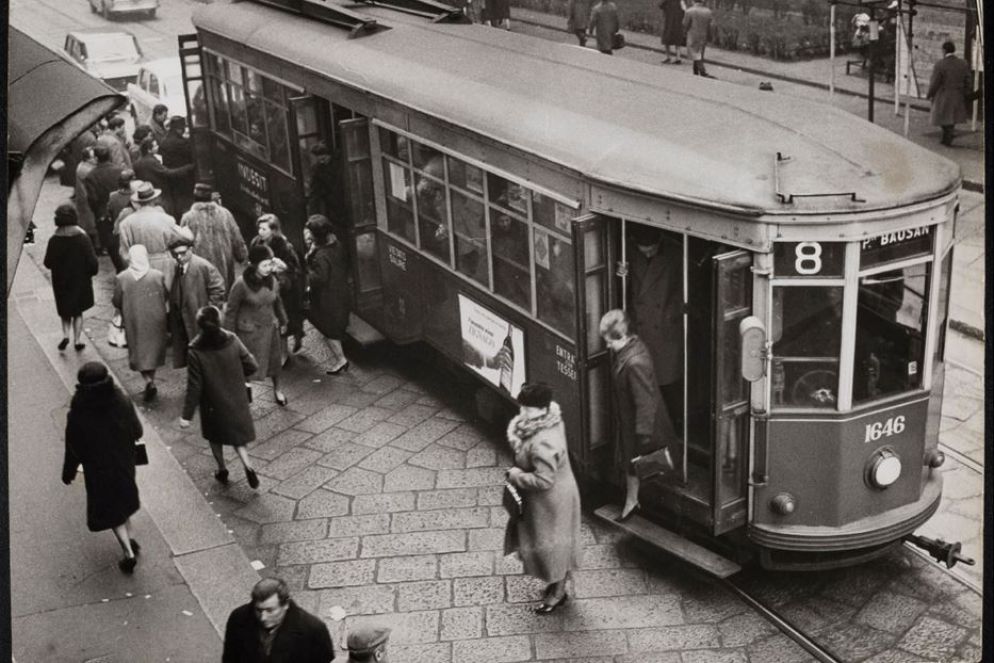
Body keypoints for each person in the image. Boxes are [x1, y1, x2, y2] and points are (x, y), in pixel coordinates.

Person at [503, 383, 583, 614]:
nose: (523, 413)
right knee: (559, 545)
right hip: (559, 496)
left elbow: (544, 480)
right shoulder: (553, 420)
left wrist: (517, 476)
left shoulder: (544, 441)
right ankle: (558, 585)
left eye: (528, 409)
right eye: (523, 408)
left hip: (549, 502)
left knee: (552, 548)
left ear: (541, 409)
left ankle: (558, 593)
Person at [62, 362, 143, 573]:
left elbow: (73, 446)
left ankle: (128, 552)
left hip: (98, 468)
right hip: (124, 460)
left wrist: (69, 471)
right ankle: (131, 538)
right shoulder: (121, 400)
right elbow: (137, 431)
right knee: (123, 500)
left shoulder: (78, 411)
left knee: (110, 509)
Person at [599, 309, 676, 522]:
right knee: (630, 462)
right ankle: (631, 501)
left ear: (623, 337)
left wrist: (643, 436)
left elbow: (644, 402)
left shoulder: (635, 363)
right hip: (630, 422)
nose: (607, 346)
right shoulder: (632, 348)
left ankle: (633, 501)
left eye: (609, 341)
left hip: (637, 425)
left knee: (634, 461)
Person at [180, 305, 262, 488]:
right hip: (235, 395)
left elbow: (194, 386)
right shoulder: (232, 339)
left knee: (214, 436)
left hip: (211, 401)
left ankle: (222, 468)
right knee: (237, 437)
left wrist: (186, 415)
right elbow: (252, 364)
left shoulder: (195, 350)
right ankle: (248, 466)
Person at [628, 226, 684, 432]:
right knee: (645, 382)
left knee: (667, 382)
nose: (648, 253)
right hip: (641, 328)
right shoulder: (627, 253)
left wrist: (673, 311)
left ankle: (672, 424)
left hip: (666, 330)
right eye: (644, 250)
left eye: (651, 249)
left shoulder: (676, 253)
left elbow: (686, 287)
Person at [225, 244, 290, 406]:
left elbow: (277, 301)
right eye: (264, 265)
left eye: (270, 264)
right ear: (254, 265)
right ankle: (245, 392)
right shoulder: (241, 284)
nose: (269, 268)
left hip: (270, 328)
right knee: (247, 366)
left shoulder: (272, 280)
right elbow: (231, 311)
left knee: (275, 364)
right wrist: (228, 336)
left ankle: (277, 390)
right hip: (249, 333)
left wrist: (283, 320)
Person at [221, 577, 334, 662]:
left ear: (285, 605)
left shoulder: (313, 629)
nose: (263, 617)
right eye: (258, 610)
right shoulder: (238, 619)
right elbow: (230, 658)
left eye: (270, 610)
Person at [113, 245, 169, 402]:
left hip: (134, 319)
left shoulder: (122, 277)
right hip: (156, 318)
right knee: (153, 350)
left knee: (138, 350)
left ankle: (148, 380)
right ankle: (152, 379)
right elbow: (165, 294)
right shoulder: (157, 275)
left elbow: (117, 300)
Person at [167, 228, 227, 369]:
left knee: (206, 356)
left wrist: (209, 315)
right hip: (185, 320)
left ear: (191, 249)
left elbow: (218, 289)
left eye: (182, 253)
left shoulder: (203, 266)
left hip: (200, 320)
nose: (179, 257)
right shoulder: (179, 266)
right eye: (175, 254)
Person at [43, 204, 99, 352]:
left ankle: (65, 335)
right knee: (78, 311)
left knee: (65, 311)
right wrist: (91, 272)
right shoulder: (82, 238)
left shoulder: (54, 240)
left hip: (61, 282)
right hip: (80, 281)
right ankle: (77, 340)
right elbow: (92, 262)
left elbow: (47, 263)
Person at [252, 213, 306, 356]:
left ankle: (287, 350)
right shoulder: (256, 242)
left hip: (285, 290)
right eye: (259, 228)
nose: (260, 232)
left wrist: (282, 267)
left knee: (286, 319)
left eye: (264, 229)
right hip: (265, 285)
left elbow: (295, 268)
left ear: (274, 230)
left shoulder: (285, 246)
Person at [304, 214, 351, 375]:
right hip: (341, 291)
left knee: (328, 330)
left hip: (327, 298)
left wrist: (307, 269)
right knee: (333, 328)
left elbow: (319, 278)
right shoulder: (338, 245)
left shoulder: (320, 255)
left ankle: (341, 359)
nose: (308, 235)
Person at [180, 182, 248, 293]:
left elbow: (183, 243)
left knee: (205, 294)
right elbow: (237, 239)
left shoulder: (188, 217)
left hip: (201, 267)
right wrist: (242, 257)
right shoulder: (225, 214)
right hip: (224, 265)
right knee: (224, 293)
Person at [118, 182, 184, 290]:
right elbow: (179, 240)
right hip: (164, 264)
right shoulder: (167, 219)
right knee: (164, 298)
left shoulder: (126, 223)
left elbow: (124, 252)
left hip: (139, 266)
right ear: (154, 199)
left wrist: (131, 266)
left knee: (145, 299)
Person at [133, 136, 195, 218]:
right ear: (149, 150)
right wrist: (187, 168)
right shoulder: (151, 162)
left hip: (148, 194)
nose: (157, 146)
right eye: (155, 145)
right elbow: (169, 173)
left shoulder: (138, 162)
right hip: (160, 195)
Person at [927, 40, 972, 147]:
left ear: (944, 50)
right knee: (951, 117)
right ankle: (947, 135)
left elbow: (935, 82)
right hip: (957, 94)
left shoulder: (940, 64)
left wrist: (930, 94)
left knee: (941, 116)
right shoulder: (963, 63)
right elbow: (968, 80)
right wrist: (966, 91)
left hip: (944, 95)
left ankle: (947, 136)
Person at [82, 144, 124, 253]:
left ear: (96, 158)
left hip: (102, 211)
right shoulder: (119, 171)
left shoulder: (91, 176)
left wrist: (96, 211)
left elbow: (92, 198)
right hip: (119, 206)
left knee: (109, 240)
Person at [159, 116, 196, 216]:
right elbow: (192, 156)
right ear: (180, 129)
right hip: (185, 177)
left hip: (170, 177)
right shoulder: (183, 143)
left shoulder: (163, 141)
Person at [103, 169, 136, 273]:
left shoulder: (113, 196)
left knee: (122, 264)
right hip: (135, 233)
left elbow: (109, 214)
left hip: (119, 234)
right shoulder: (137, 196)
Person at [73, 147, 98, 247]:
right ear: (87, 159)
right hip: (87, 201)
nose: (95, 158)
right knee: (90, 224)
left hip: (85, 199)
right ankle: (96, 246)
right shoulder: (86, 169)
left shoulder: (83, 166)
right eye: (93, 157)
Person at [683, 0, 716, 77]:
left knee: (695, 52)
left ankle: (702, 71)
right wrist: (710, 35)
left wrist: (685, 32)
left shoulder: (689, 11)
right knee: (699, 52)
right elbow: (711, 25)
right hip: (703, 35)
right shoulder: (708, 11)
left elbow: (685, 24)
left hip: (693, 35)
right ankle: (695, 70)